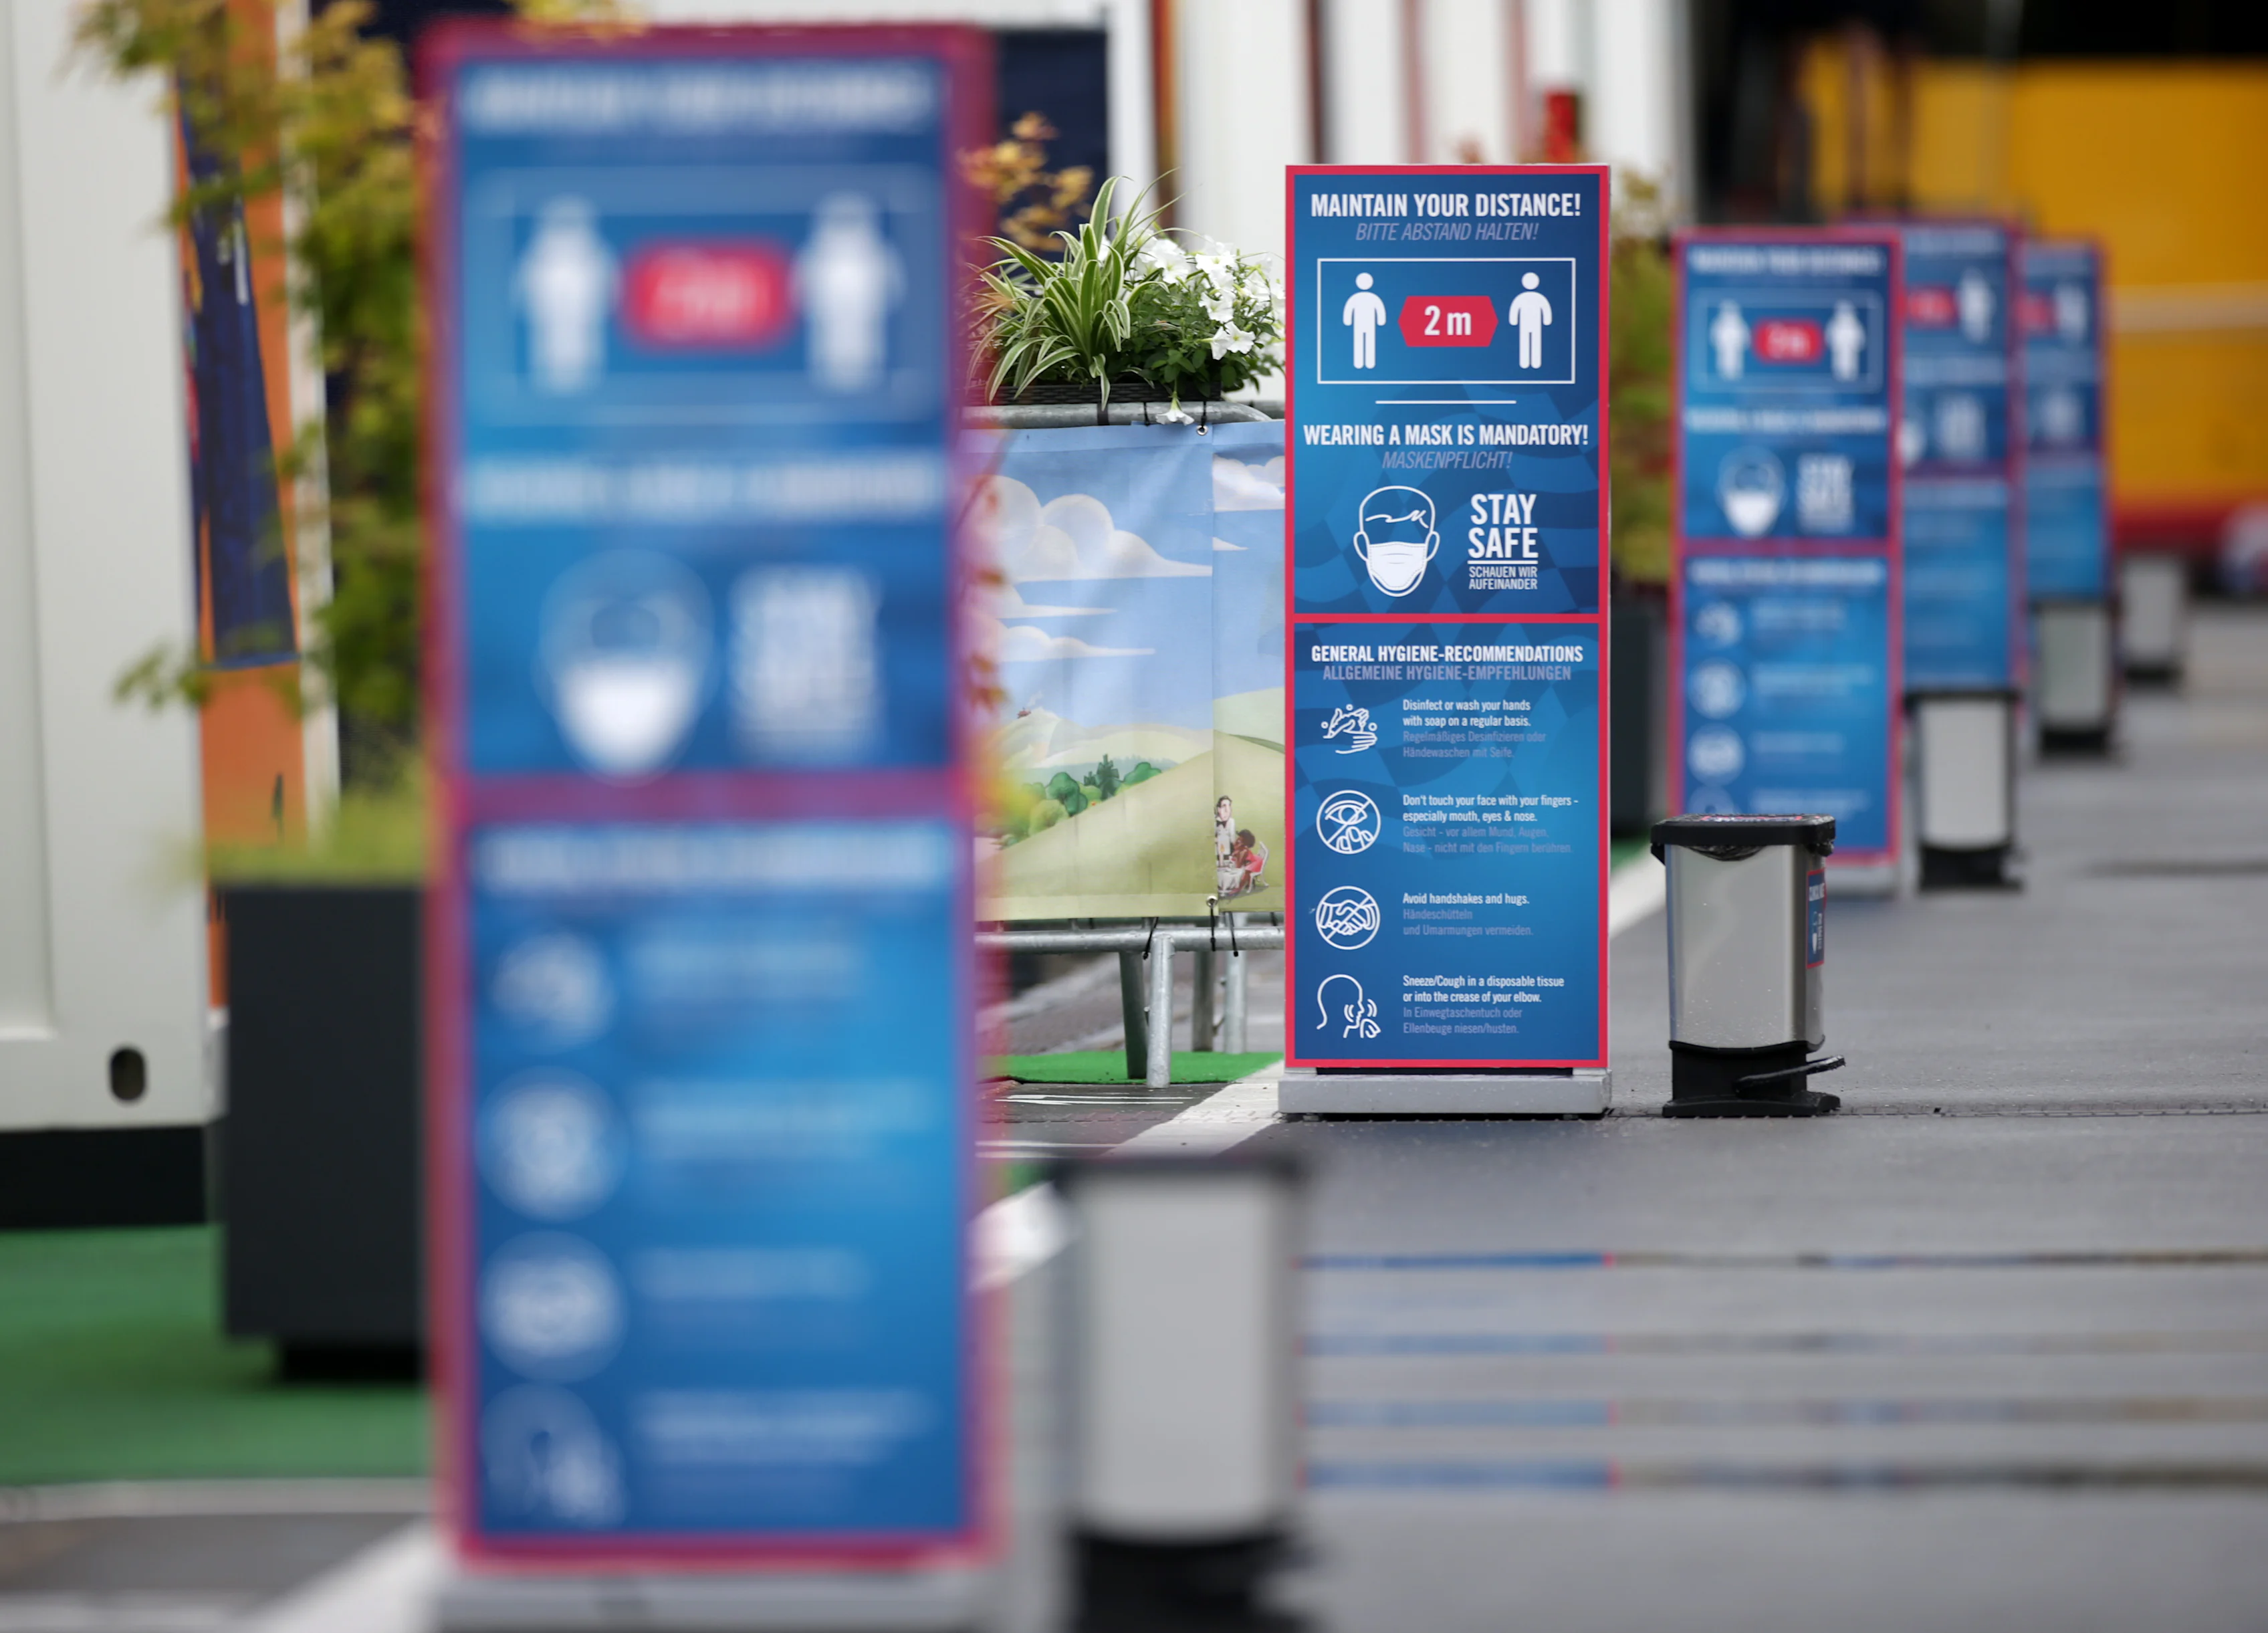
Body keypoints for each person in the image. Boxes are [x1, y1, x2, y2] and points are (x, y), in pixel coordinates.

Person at [1509, 271, 1554, 369]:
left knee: (1536, 341)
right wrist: (1514, 320)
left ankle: (1536, 362)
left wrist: (1547, 320)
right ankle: (1524, 362)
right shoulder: (1522, 298)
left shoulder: (1539, 298)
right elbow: (1515, 309)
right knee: (1524, 341)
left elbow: (1546, 309)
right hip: (1524, 323)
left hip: (1536, 323)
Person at [1343, 272, 1387, 370]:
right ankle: (1358, 363)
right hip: (1359, 324)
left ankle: (1370, 363)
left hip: (1370, 324)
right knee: (1359, 341)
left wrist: (1381, 320)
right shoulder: (1355, 298)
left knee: (1370, 341)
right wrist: (1348, 320)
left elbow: (1380, 309)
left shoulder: (1373, 298)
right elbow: (1349, 309)